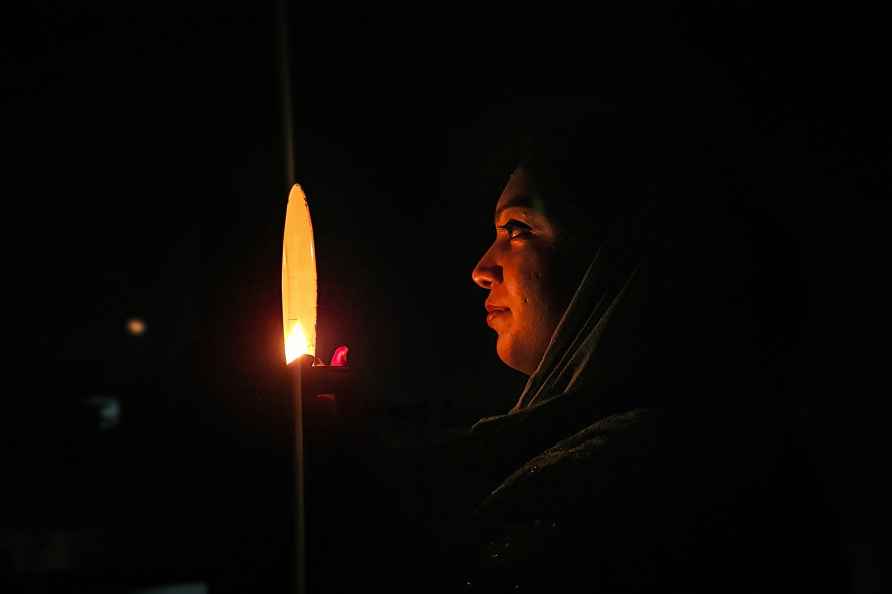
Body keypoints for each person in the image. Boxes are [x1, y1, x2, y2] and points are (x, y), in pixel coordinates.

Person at [330, 96, 849, 593]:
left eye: (517, 229)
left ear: (614, 262)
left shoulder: (626, 485)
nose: (481, 269)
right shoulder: (571, 458)